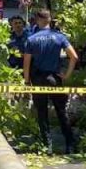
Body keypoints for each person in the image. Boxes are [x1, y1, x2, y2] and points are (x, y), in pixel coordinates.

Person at [22, 9, 79, 154]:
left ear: (38, 20)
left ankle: (47, 147)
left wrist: (27, 82)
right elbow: (74, 57)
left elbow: (26, 63)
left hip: (38, 79)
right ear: (49, 20)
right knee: (61, 111)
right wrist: (66, 75)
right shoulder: (59, 37)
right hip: (54, 78)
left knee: (42, 113)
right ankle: (70, 145)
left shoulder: (32, 39)